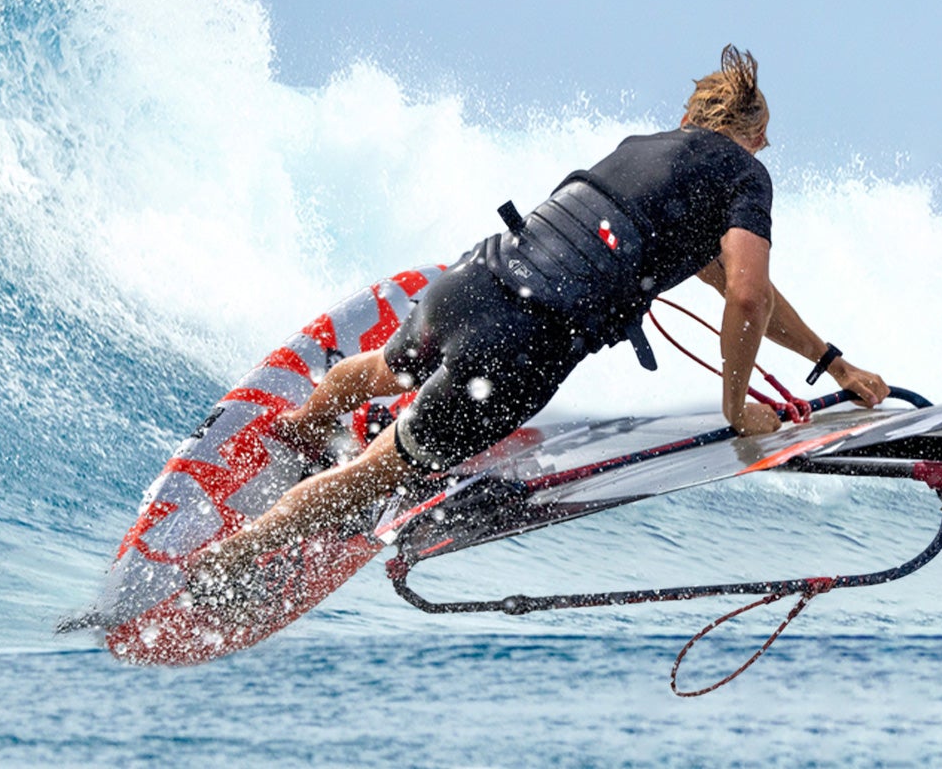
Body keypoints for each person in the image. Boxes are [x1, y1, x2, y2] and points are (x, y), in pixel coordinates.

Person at [192, 46, 892, 599]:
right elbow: (747, 295)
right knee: (379, 472)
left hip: (471, 280)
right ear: (757, 135)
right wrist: (738, 411)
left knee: (385, 370)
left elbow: (744, 290)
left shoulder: (644, 149)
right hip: (521, 348)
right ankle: (226, 563)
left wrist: (832, 362)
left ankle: (305, 423)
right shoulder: (745, 175)